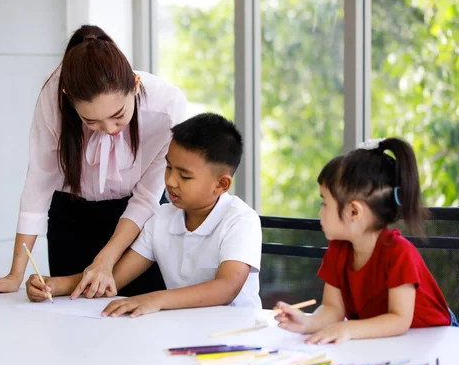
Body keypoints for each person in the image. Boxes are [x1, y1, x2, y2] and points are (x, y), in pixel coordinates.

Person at [0, 25, 187, 298]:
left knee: (138, 315)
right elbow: (39, 183)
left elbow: (147, 198)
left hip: (137, 225)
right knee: (74, 322)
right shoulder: (54, 95)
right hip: (72, 218)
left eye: (118, 115)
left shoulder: (166, 108)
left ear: (135, 85)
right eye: (91, 121)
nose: (110, 128)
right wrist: (15, 274)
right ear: (69, 99)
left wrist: (106, 258)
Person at [25, 113, 262, 317]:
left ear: (221, 184)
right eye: (168, 167)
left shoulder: (241, 220)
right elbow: (114, 278)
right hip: (181, 329)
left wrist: (155, 299)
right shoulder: (161, 217)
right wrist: (56, 285)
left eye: (185, 176)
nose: (170, 181)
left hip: (235, 334)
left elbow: (226, 288)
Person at [274, 137, 458, 344]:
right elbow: (333, 308)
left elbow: (399, 320)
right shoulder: (338, 249)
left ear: (354, 211)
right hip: (390, 342)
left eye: (324, 203)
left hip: (438, 339)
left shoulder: (400, 253)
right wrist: (308, 323)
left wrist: (348, 328)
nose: (320, 213)